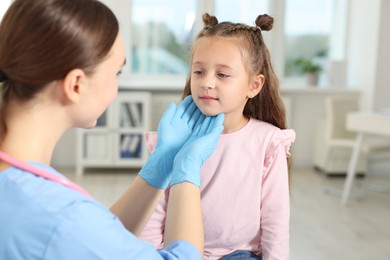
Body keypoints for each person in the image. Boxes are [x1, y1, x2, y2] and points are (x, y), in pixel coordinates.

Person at [0, 1, 225, 259]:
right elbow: (76, 232)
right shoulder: (60, 216)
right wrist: (187, 167)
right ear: (76, 85)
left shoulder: (26, 192)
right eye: (116, 72)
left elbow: (97, 242)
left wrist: (162, 162)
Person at [139, 13, 296, 260]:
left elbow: (275, 220)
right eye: (199, 72)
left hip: (238, 254)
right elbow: (153, 209)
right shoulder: (174, 137)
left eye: (222, 75)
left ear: (254, 85)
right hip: (178, 252)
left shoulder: (267, 142)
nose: (206, 83)